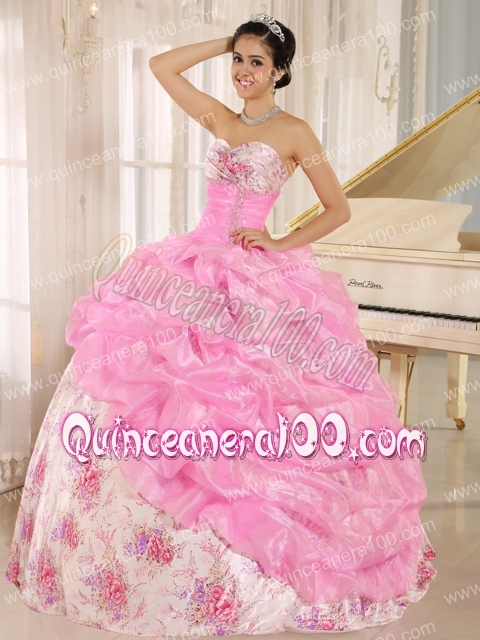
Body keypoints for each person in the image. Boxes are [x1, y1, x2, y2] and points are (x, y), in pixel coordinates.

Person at [5, 14, 436, 636]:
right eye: (238, 60)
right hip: (193, 263)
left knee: (259, 396)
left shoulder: (295, 132)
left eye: (257, 62)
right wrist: (226, 41)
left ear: (281, 71)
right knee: (149, 379)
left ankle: (255, 537)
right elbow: (161, 66)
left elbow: (338, 207)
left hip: (256, 275)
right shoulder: (220, 118)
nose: (243, 72)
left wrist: (279, 241)